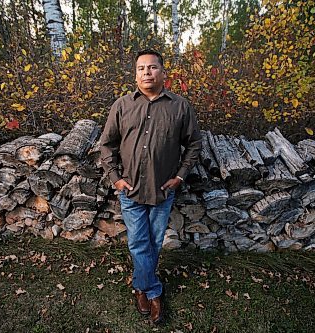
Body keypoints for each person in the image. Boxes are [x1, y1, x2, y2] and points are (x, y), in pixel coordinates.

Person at [100, 49, 202, 324]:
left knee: (153, 243)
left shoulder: (180, 107)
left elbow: (194, 145)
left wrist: (180, 177)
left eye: (152, 67)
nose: (146, 72)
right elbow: (106, 144)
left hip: (163, 190)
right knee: (138, 242)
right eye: (141, 68)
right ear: (135, 74)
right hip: (130, 190)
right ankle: (152, 291)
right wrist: (115, 178)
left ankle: (139, 285)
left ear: (162, 72)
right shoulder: (122, 106)